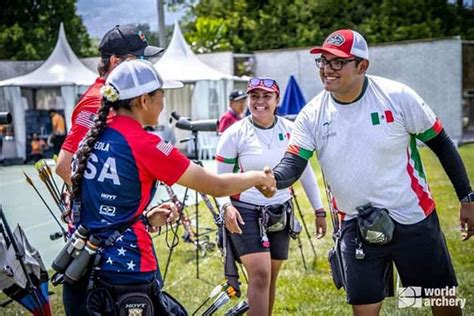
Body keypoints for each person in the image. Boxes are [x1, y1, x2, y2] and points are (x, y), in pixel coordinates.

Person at [262, 29, 474, 316]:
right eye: (323, 61)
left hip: (411, 216)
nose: (327, 69)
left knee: (441, 303)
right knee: (365, 310)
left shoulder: (397, 97)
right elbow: (293, 163)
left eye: (338, 62)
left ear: (362, 66)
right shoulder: (311, 114)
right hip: (354, 222)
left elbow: (442, 144)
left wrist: (467, 197)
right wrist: (273, 179)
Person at [62, 60, 275, 316]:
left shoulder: (93, 136)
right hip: (126, 275)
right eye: (161, 95)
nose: (164, 103)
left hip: (82, 271)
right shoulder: (145, 144)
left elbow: (104, 208)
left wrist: (143, 218)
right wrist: (257, 177)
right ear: (143, 101)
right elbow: (216, 185)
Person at [216, 77, 327, 316]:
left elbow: (304, 171)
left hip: (280, 211)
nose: (259, 102)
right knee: (260, 275)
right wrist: (226, 207)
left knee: (270, 278)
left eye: (267, 96)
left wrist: (319, 210)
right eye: (254, 96)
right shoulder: (234, 133)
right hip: (244, 209)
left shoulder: (291, 130)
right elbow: (219, 181)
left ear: (277, 101)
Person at [55, 24, 164, 185]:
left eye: (147, 59)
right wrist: (100, 205)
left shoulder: (120, 96)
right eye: (140, 58)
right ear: (115, 61)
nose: (145, 65)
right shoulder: (95, 102)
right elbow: (64, 166)